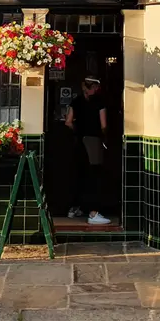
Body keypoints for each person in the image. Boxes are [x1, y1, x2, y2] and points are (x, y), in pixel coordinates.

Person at [65, 76, 111, 225]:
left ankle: (74, 208)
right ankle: (93, 213)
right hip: (93, 141)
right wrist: (105, 137)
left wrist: (78, 131)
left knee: (80, 174)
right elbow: (103, 125)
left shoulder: (76, 101)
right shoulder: (99, 102)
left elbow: (68, 122)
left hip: (79, 142)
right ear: (95, 87)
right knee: (94, 176)